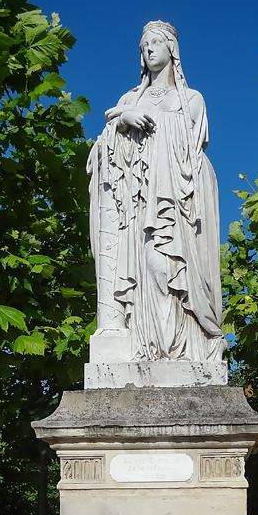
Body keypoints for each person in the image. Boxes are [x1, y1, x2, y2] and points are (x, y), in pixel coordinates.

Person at [87, 20, 225, 363]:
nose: (147, 49)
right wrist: (121, 121)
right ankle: (148, 346)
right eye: (143, 45)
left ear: (171, 49)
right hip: (137, 202)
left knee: (166, 266)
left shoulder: (191, 99)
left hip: (177, 201)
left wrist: (132, 118)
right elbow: (104, 150)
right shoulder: (130, 98)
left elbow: (190, 146)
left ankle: (181, 348)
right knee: (147, 267)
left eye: (154, 43)